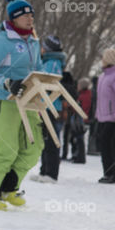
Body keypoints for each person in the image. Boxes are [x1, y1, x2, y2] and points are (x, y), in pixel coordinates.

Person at [0, 0, 43, 210]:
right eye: (25, 15)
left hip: (28, 100)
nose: (30, 18)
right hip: (4, 100)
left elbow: (37, 68)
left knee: (35, 146)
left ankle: (8, 187)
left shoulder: (33, 41)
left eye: (32, 15)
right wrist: (6, 82)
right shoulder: (2, 40)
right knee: (7, 148)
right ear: (14, 18)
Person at [34, 35, 66, 182]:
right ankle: (44, 171)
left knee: (51, 140)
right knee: (44, 139)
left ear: (47, 49)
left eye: (43, 46)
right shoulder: (46, 62)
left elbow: (51, 83)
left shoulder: (53, 63)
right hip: (43, 105)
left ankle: (52, 173)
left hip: (50, 106)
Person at [94, 48, 115, 183]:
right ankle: (108, 172)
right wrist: (97, 115)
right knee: (103, 145)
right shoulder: (102, 77)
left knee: (107, 144)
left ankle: (111, 174)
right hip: (102, 116)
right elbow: (100, 99)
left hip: (113, 117)